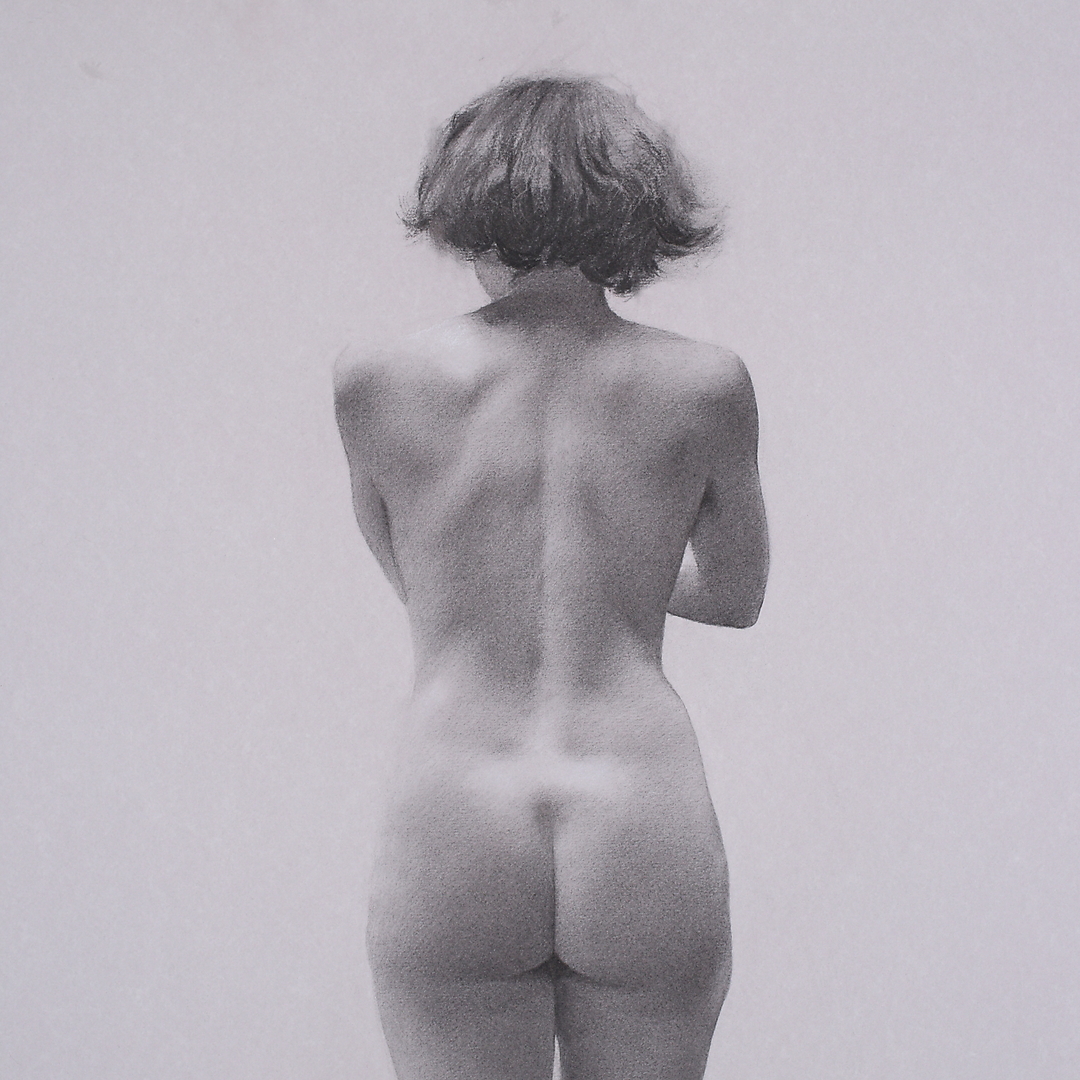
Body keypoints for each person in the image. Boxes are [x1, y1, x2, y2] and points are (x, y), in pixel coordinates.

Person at [334, 75, 768, 1080]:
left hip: (454, 800)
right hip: (639, 803)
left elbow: (419, 579)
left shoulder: (375, 383)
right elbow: (737, 595)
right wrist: (620, 571)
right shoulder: (708, 385)